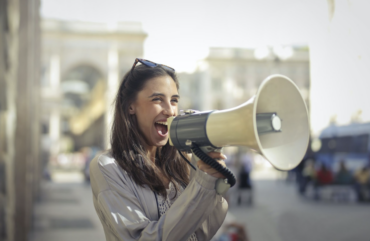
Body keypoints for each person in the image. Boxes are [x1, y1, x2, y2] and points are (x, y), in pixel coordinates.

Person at [89, 58, 228, 241]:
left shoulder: (182, 162)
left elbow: (199, 234)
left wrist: (212, 184)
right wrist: (201, 187)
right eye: (157, 99)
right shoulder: (107, 167)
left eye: (174, 100)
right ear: (130, 105)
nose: (170, 111)